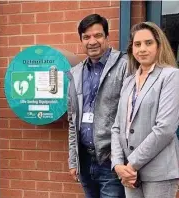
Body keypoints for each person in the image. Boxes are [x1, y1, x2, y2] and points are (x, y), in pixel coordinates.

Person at [111, 21, 179, 198]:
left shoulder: (170, 76)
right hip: (129, 174)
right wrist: (118, 164)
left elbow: (165, 129)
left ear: (159, 45)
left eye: (148, 43)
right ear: (131, 49)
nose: (142, 49)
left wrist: (131, 164)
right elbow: (117, 126)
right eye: (137, 44)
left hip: (158, 173)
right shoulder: (128, 82)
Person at [67, 14, 128, 198]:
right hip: (85, 161)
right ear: (81, 40)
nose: (92, 41)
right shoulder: (76, 73)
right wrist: (73, 160)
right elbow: (73, 120)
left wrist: (121, 160)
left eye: (98, 35)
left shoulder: (124, 66)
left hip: (111, 161)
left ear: (107, 37)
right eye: (86, 37)